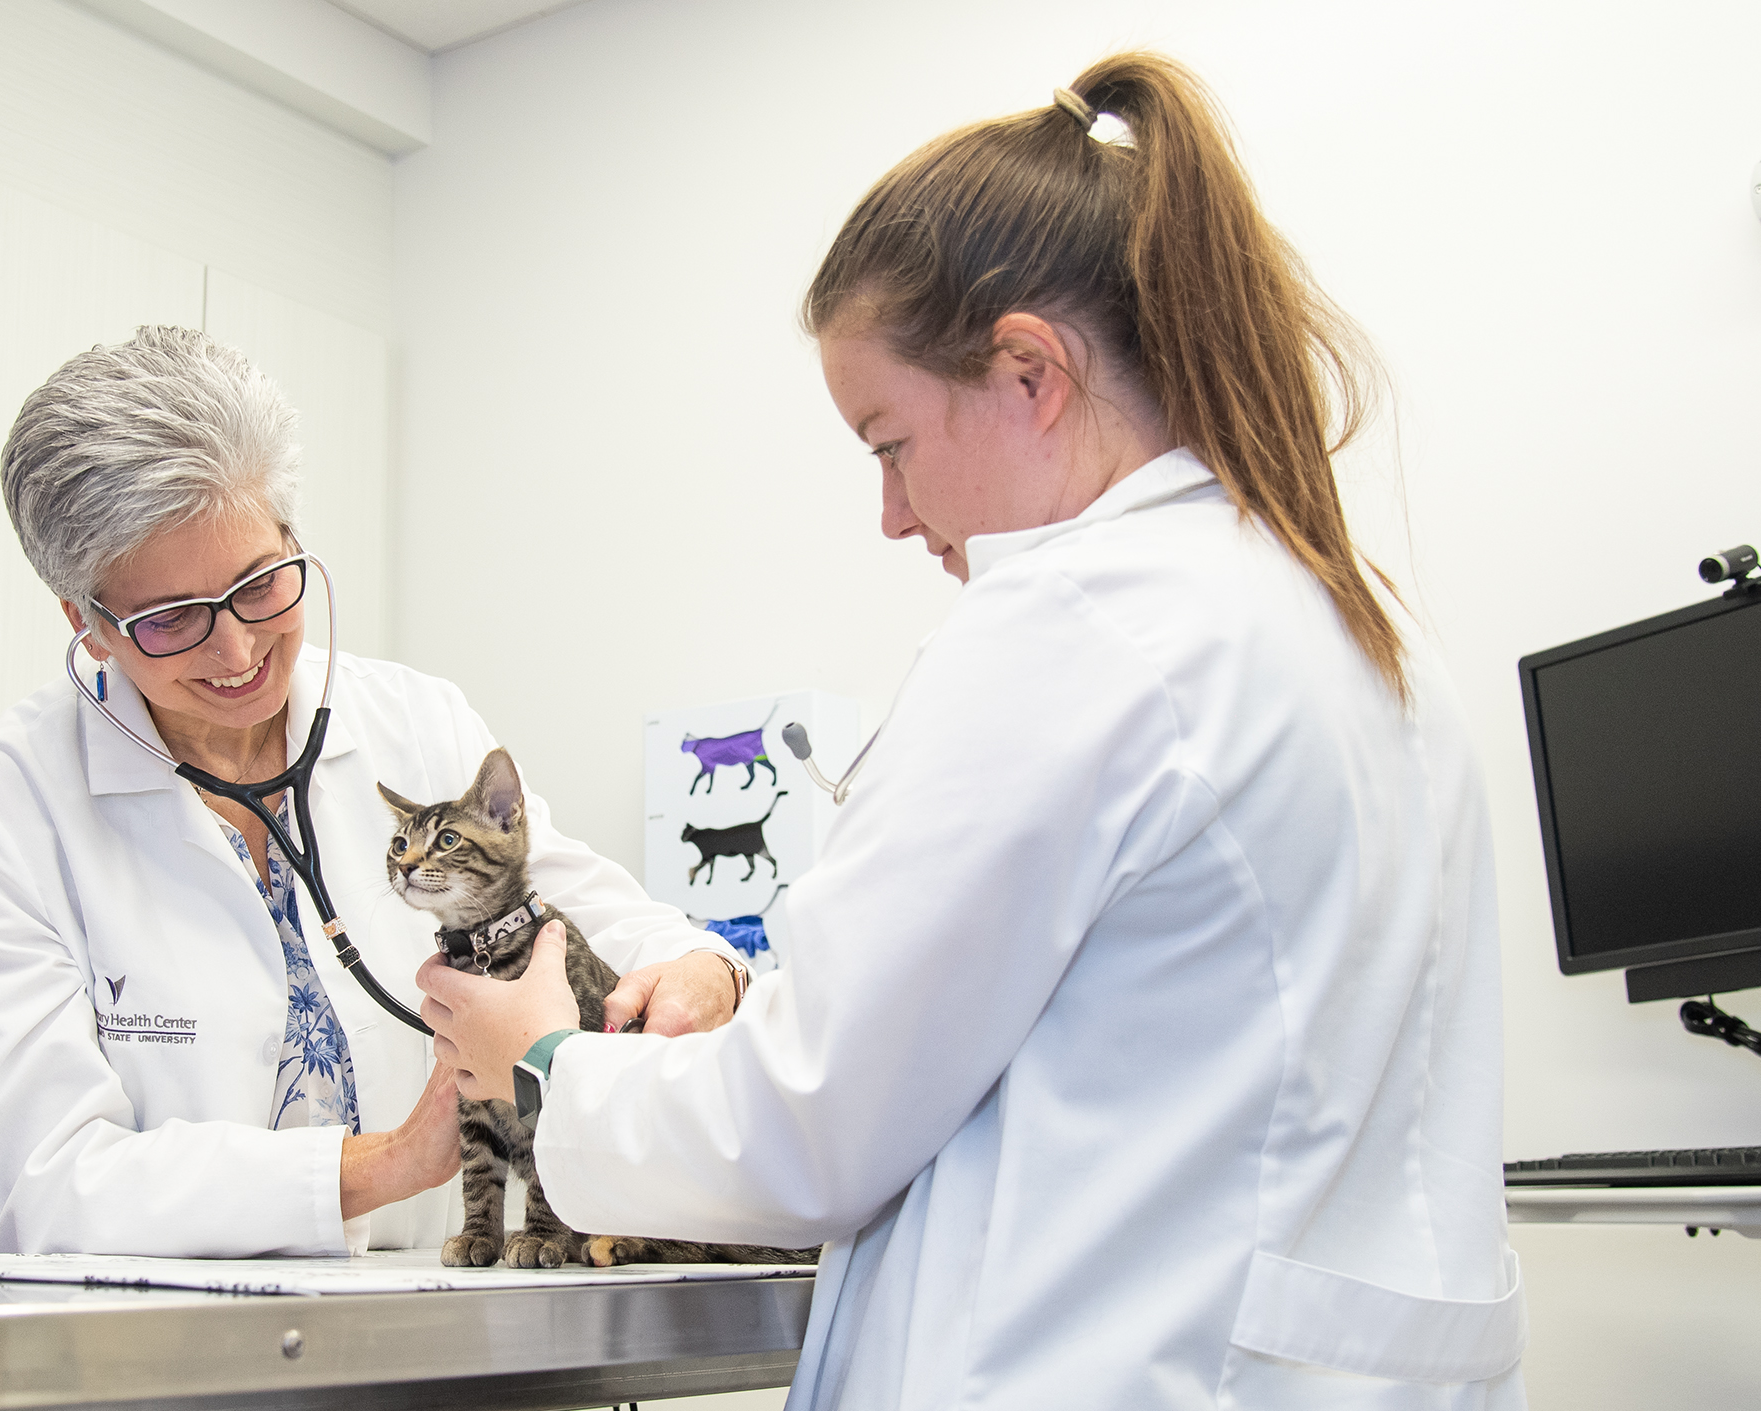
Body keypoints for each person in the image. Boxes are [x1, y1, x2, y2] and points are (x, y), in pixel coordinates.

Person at [421, 53, 1524, 1408]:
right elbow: (1113, 1026)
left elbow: (810, 1130)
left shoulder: (1078, 627)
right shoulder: (1360, 628)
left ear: (1028, 371)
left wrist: (547, 1056)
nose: (892, 514)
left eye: (888, 442)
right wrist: (765, 999)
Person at [0, 326, 751, 1257]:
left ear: (292, 537)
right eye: (170, 619)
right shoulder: (1, 806)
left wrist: (709, 973)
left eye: (260, 583)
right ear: (87, 623)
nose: (236, 651)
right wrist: (386, 1163)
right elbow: (45, 1188)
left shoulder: (416, 720)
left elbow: (597, 924)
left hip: (401, 1328)